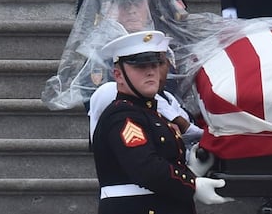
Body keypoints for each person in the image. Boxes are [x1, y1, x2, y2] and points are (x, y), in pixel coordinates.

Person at [91, 30, 231, 213]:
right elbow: (145, 168)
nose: (150, 71)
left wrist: (191, 171)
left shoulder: (151, 113)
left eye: (155, 64)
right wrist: (192, 184)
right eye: (140, 66)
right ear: (118, 75)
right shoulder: (123, 116)